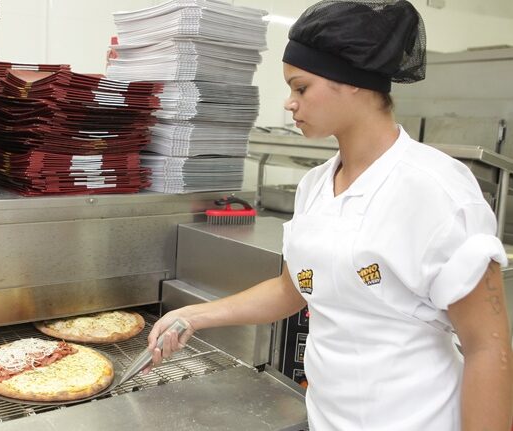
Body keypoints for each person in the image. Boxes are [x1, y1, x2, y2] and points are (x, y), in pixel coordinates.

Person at [147, 1, 513, 429]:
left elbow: (488, 349)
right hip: (328, 419)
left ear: (352, 82)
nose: (290, 103)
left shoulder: (436, 189)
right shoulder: (316, 185)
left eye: (300, 88)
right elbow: (293, 289)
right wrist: (193, 315)